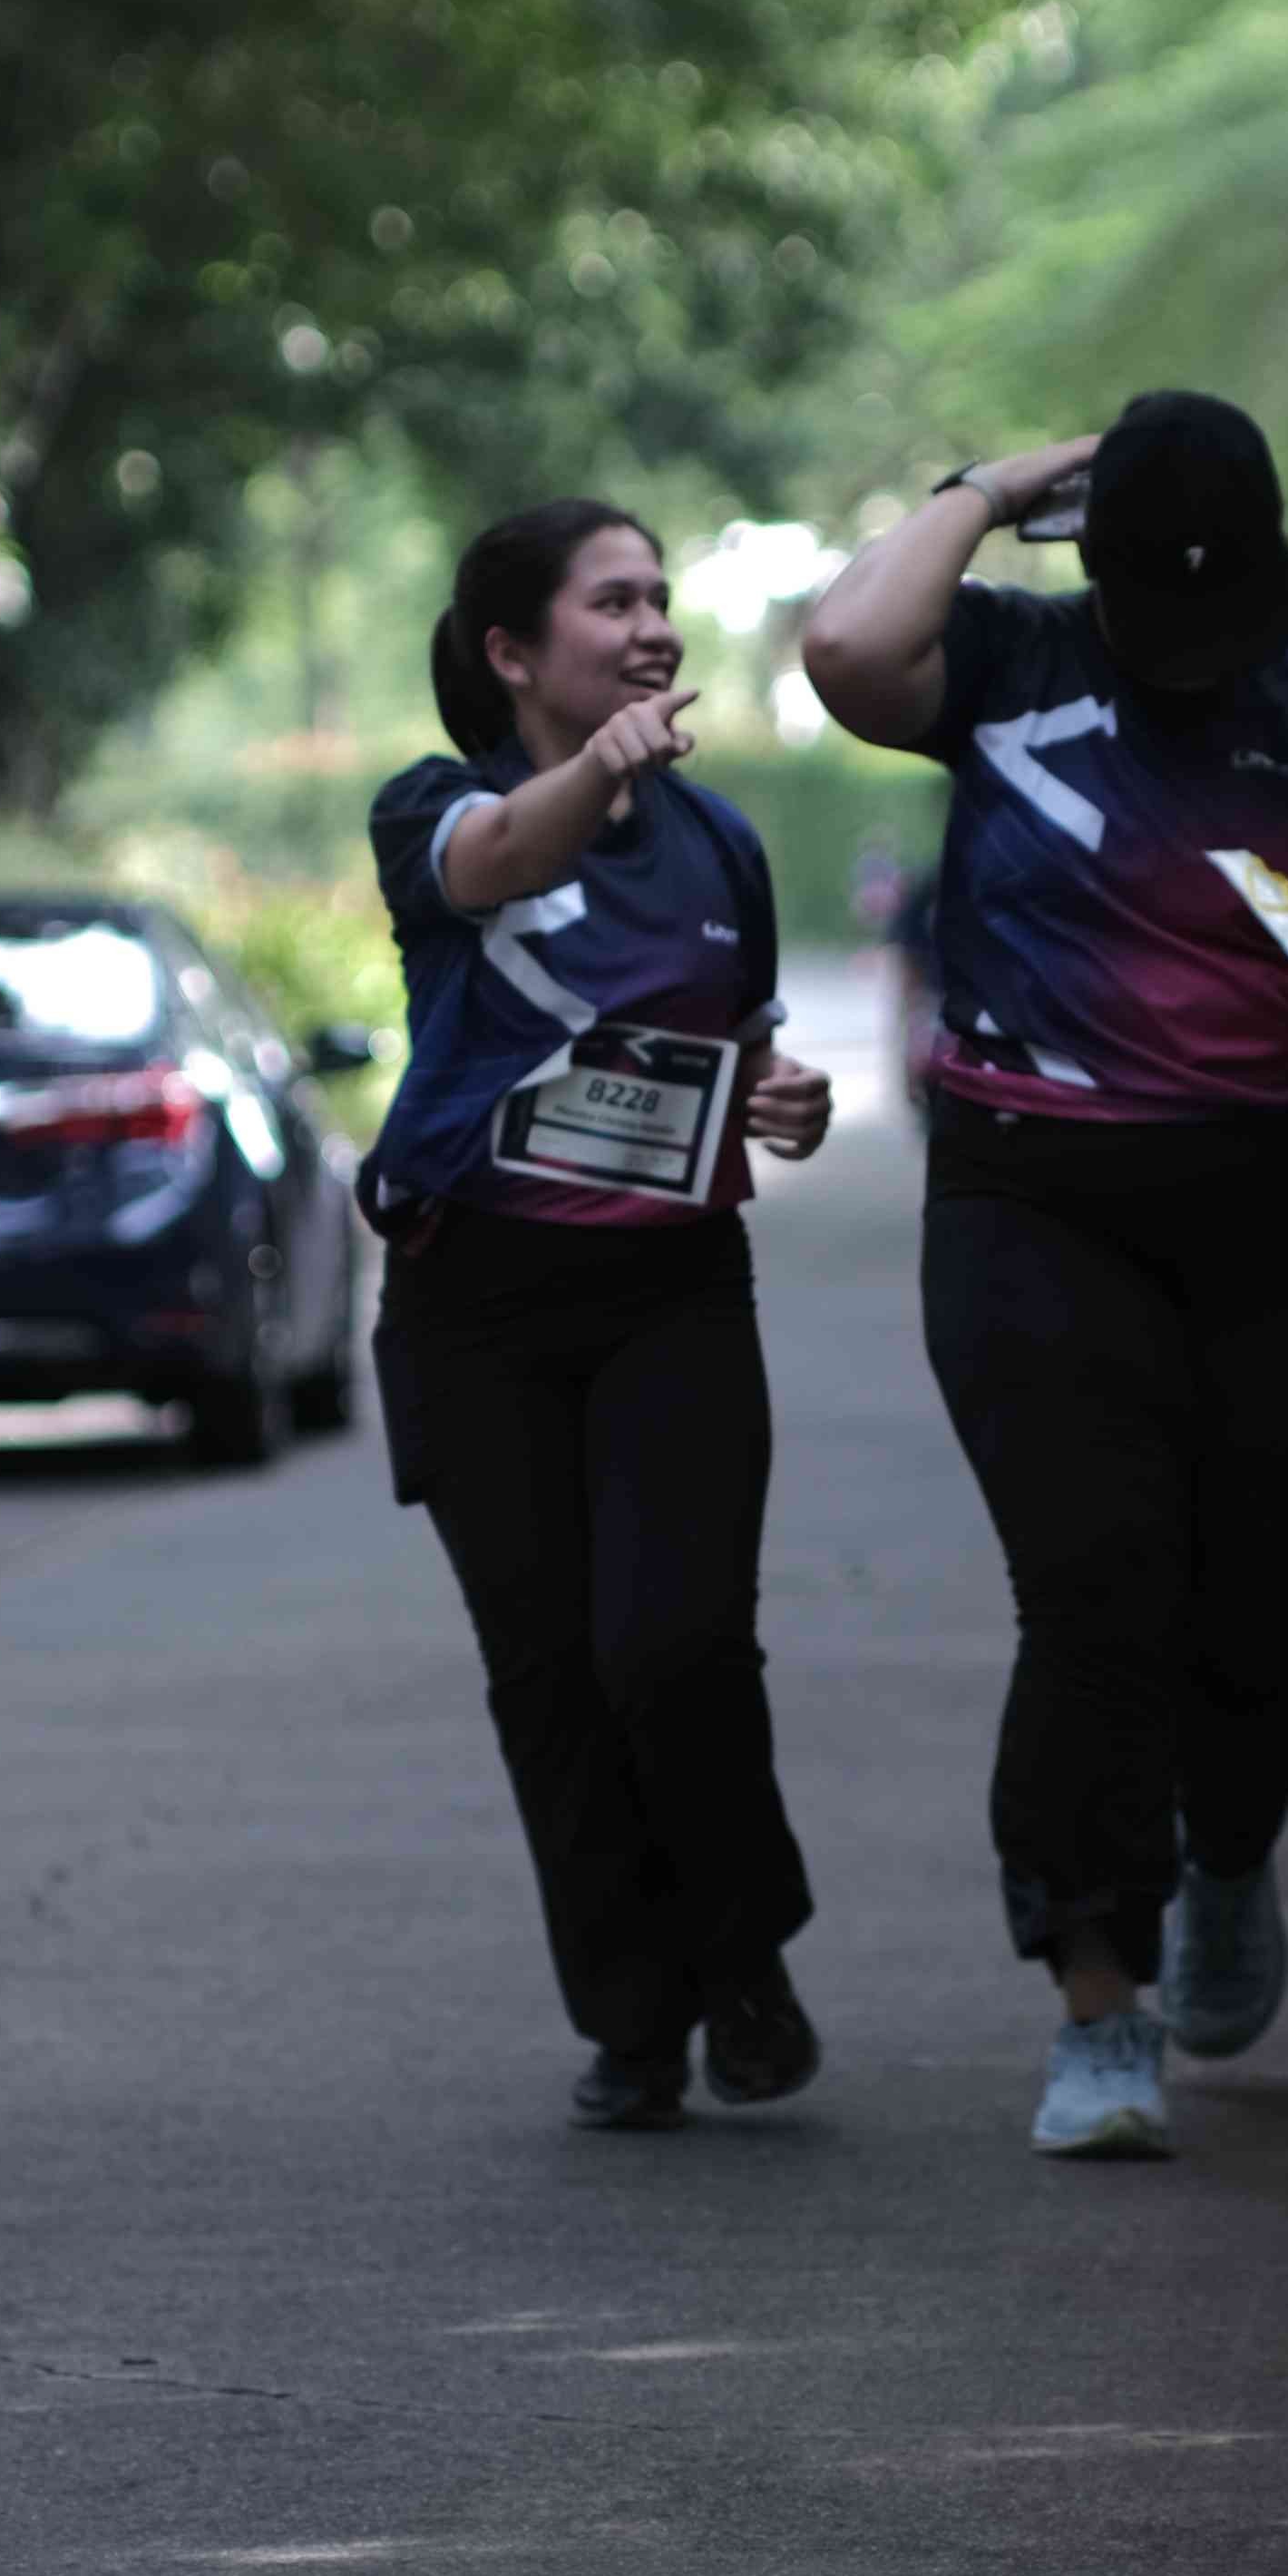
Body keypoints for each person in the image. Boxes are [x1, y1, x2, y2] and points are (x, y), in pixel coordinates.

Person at [800, 390, 1288, 2159]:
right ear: (1096, 569)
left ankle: (1233, 1847)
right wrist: (989, 488)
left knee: (1262, 1613)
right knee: (1092, 1591)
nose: (1195, 650)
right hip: (1035, 1201)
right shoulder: (1006, 662)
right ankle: (1097, 2002)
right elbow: (845, 650)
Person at [363, 500, 835, 2132]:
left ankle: (744, 1956)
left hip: (671, 1294)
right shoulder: (435, 808)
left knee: (678, 1648)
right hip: (476, 1307)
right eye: (612, 603)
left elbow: (739, 1048)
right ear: (512, 652)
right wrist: (602, 772)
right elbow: (501, 861)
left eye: (660, 599)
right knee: (551, 1678)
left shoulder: (722, 846)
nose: (654, 629)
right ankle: (634, 2022)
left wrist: (786, 1096)